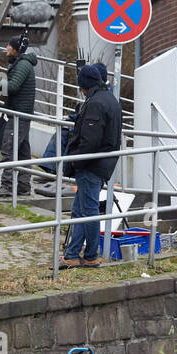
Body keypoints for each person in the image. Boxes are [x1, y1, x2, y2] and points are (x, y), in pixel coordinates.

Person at [62, 62, 123, 269]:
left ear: (85, 86)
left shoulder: (95, 103)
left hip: (91, 165)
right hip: (101, 163)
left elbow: (90, 140)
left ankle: (90, 255)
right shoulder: (111, 100)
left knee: (87, 211)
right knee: (80, 210)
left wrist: (74, 161)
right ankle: (71, 254)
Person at [0, 38, 39, 197]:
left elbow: (12, 87)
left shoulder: (23, 65)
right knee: (24, 152)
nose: (6, 48)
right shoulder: (21, 64)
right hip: (21, 114)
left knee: (9, 148)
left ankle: (7, 186)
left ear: (15, 49)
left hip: (19, 115)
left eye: (9, 46)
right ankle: (24, 186)